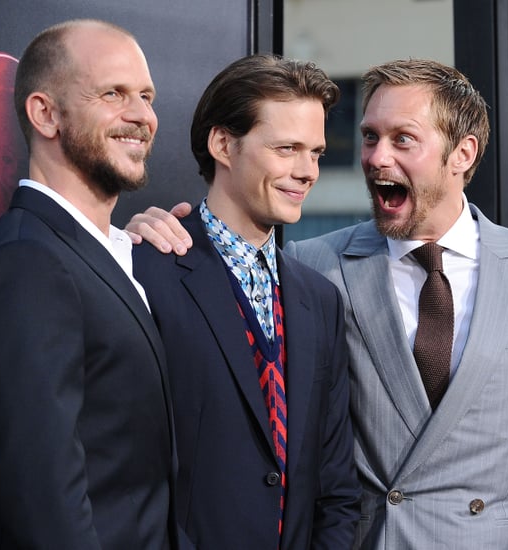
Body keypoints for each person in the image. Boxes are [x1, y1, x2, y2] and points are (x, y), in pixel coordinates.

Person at [128, 58, 508, 549]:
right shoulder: (318, 266)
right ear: (223, 144)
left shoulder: (312, 290)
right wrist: (123, 248)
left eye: (403, 139)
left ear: (463, 153)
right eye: (370, 137)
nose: (375, 158)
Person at [131, 54, 361, 550]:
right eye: (286, 148)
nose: (307, 172)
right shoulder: (143, 270)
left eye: (317, 152)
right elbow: (124, 470)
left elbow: (335, 487)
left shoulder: (320, 300)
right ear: (223, 144)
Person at [0, 19, 179, 549]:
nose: (142, 116)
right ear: (45, 113)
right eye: (113, 93)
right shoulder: (26, 261)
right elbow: (43, 501)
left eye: (147, 96)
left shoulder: (113, 253)